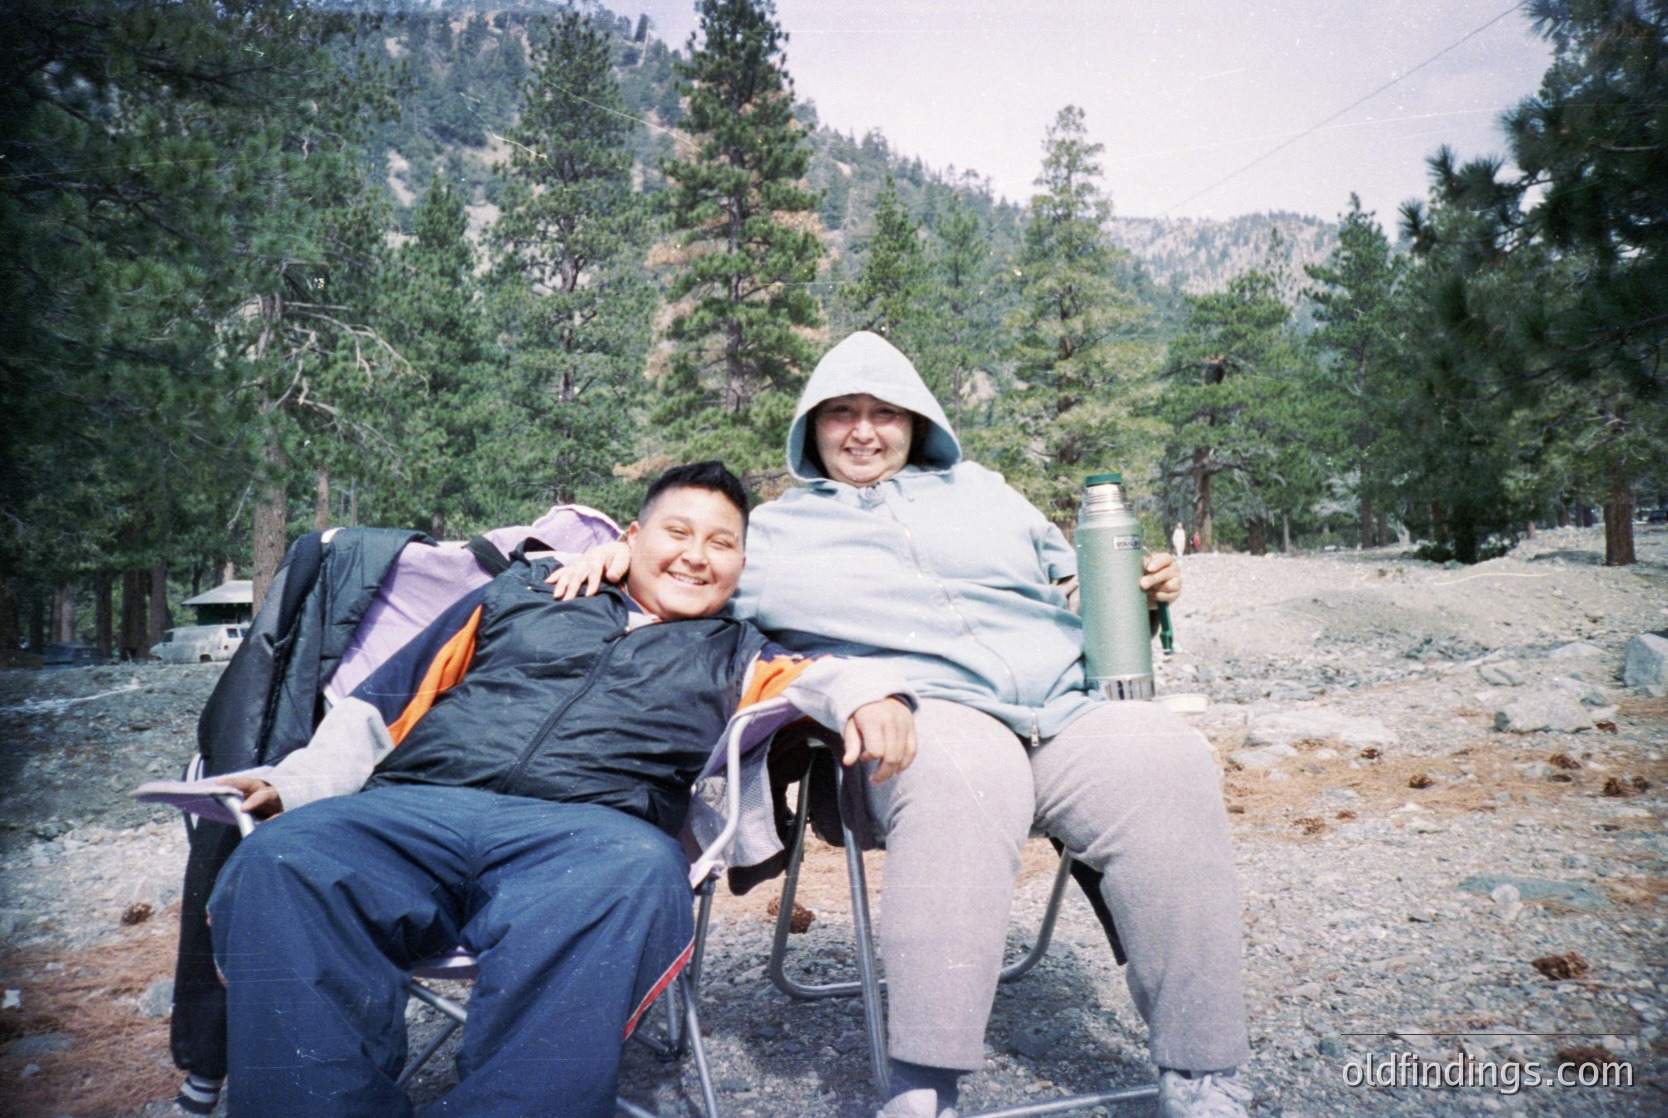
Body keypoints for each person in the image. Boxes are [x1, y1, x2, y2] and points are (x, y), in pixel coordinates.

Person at [551, 335, 1252, 1118]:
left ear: (918, 423)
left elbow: (1072, 589)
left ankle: (1204, 1072)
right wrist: (617, 553)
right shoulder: (776, 534)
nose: (862, 431)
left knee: (1169, 759)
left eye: (884, 413)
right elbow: (691, 568)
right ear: (809, 428)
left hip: (1061, 710)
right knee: (963, 770)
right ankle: (926, 1084)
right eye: (841, 413)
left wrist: (1142, 585)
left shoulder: (985, 491)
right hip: (914, 721)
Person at [206, 462, 916, 1118]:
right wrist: (291, 784)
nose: (696, 555)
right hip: (417, 807)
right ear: (633, 537)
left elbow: (827, 675)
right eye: (677, 532)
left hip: (591, 835)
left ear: (741, 564)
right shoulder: (523, 593)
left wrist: (877, 697)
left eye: (721, 543)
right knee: (283, 860)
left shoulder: (738, 650)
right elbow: (384, 701)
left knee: (636, 874)